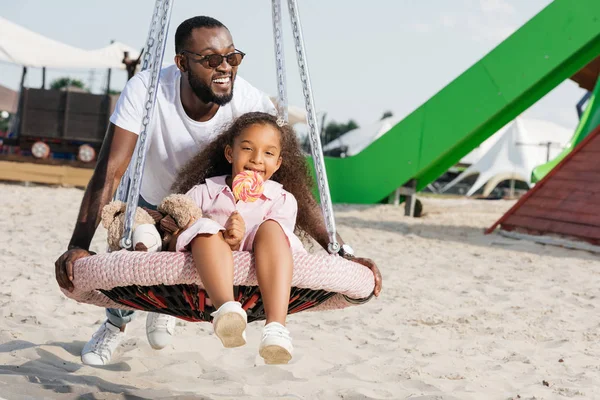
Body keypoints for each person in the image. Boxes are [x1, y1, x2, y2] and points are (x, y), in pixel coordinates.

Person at [54, 15, 382, 366]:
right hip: (149, 202)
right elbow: (110, 171)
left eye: (232, 57)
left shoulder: (251, 102)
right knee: (131, 262)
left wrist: (341, 250)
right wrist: (78, 245)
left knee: (189, 261)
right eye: (211, 59)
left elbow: (295, 189)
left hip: (215, 210)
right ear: (181, 62)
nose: (225, 67)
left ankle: (168, 308)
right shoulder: (147, 90)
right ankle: (114, 326)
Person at [171, 111, 321, 364]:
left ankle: (276, 327)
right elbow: (177, 234)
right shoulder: (204, 193)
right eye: (248, 149)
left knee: (272, 228)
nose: (256, 160)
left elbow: (278, 243)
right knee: (205, 228)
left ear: (278, 164)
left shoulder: (281, 199)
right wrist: (221, 234)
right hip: (212, 272)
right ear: (230, 154)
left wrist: (243, 237)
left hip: (266, 266)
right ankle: (227, 310)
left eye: (268, 153)